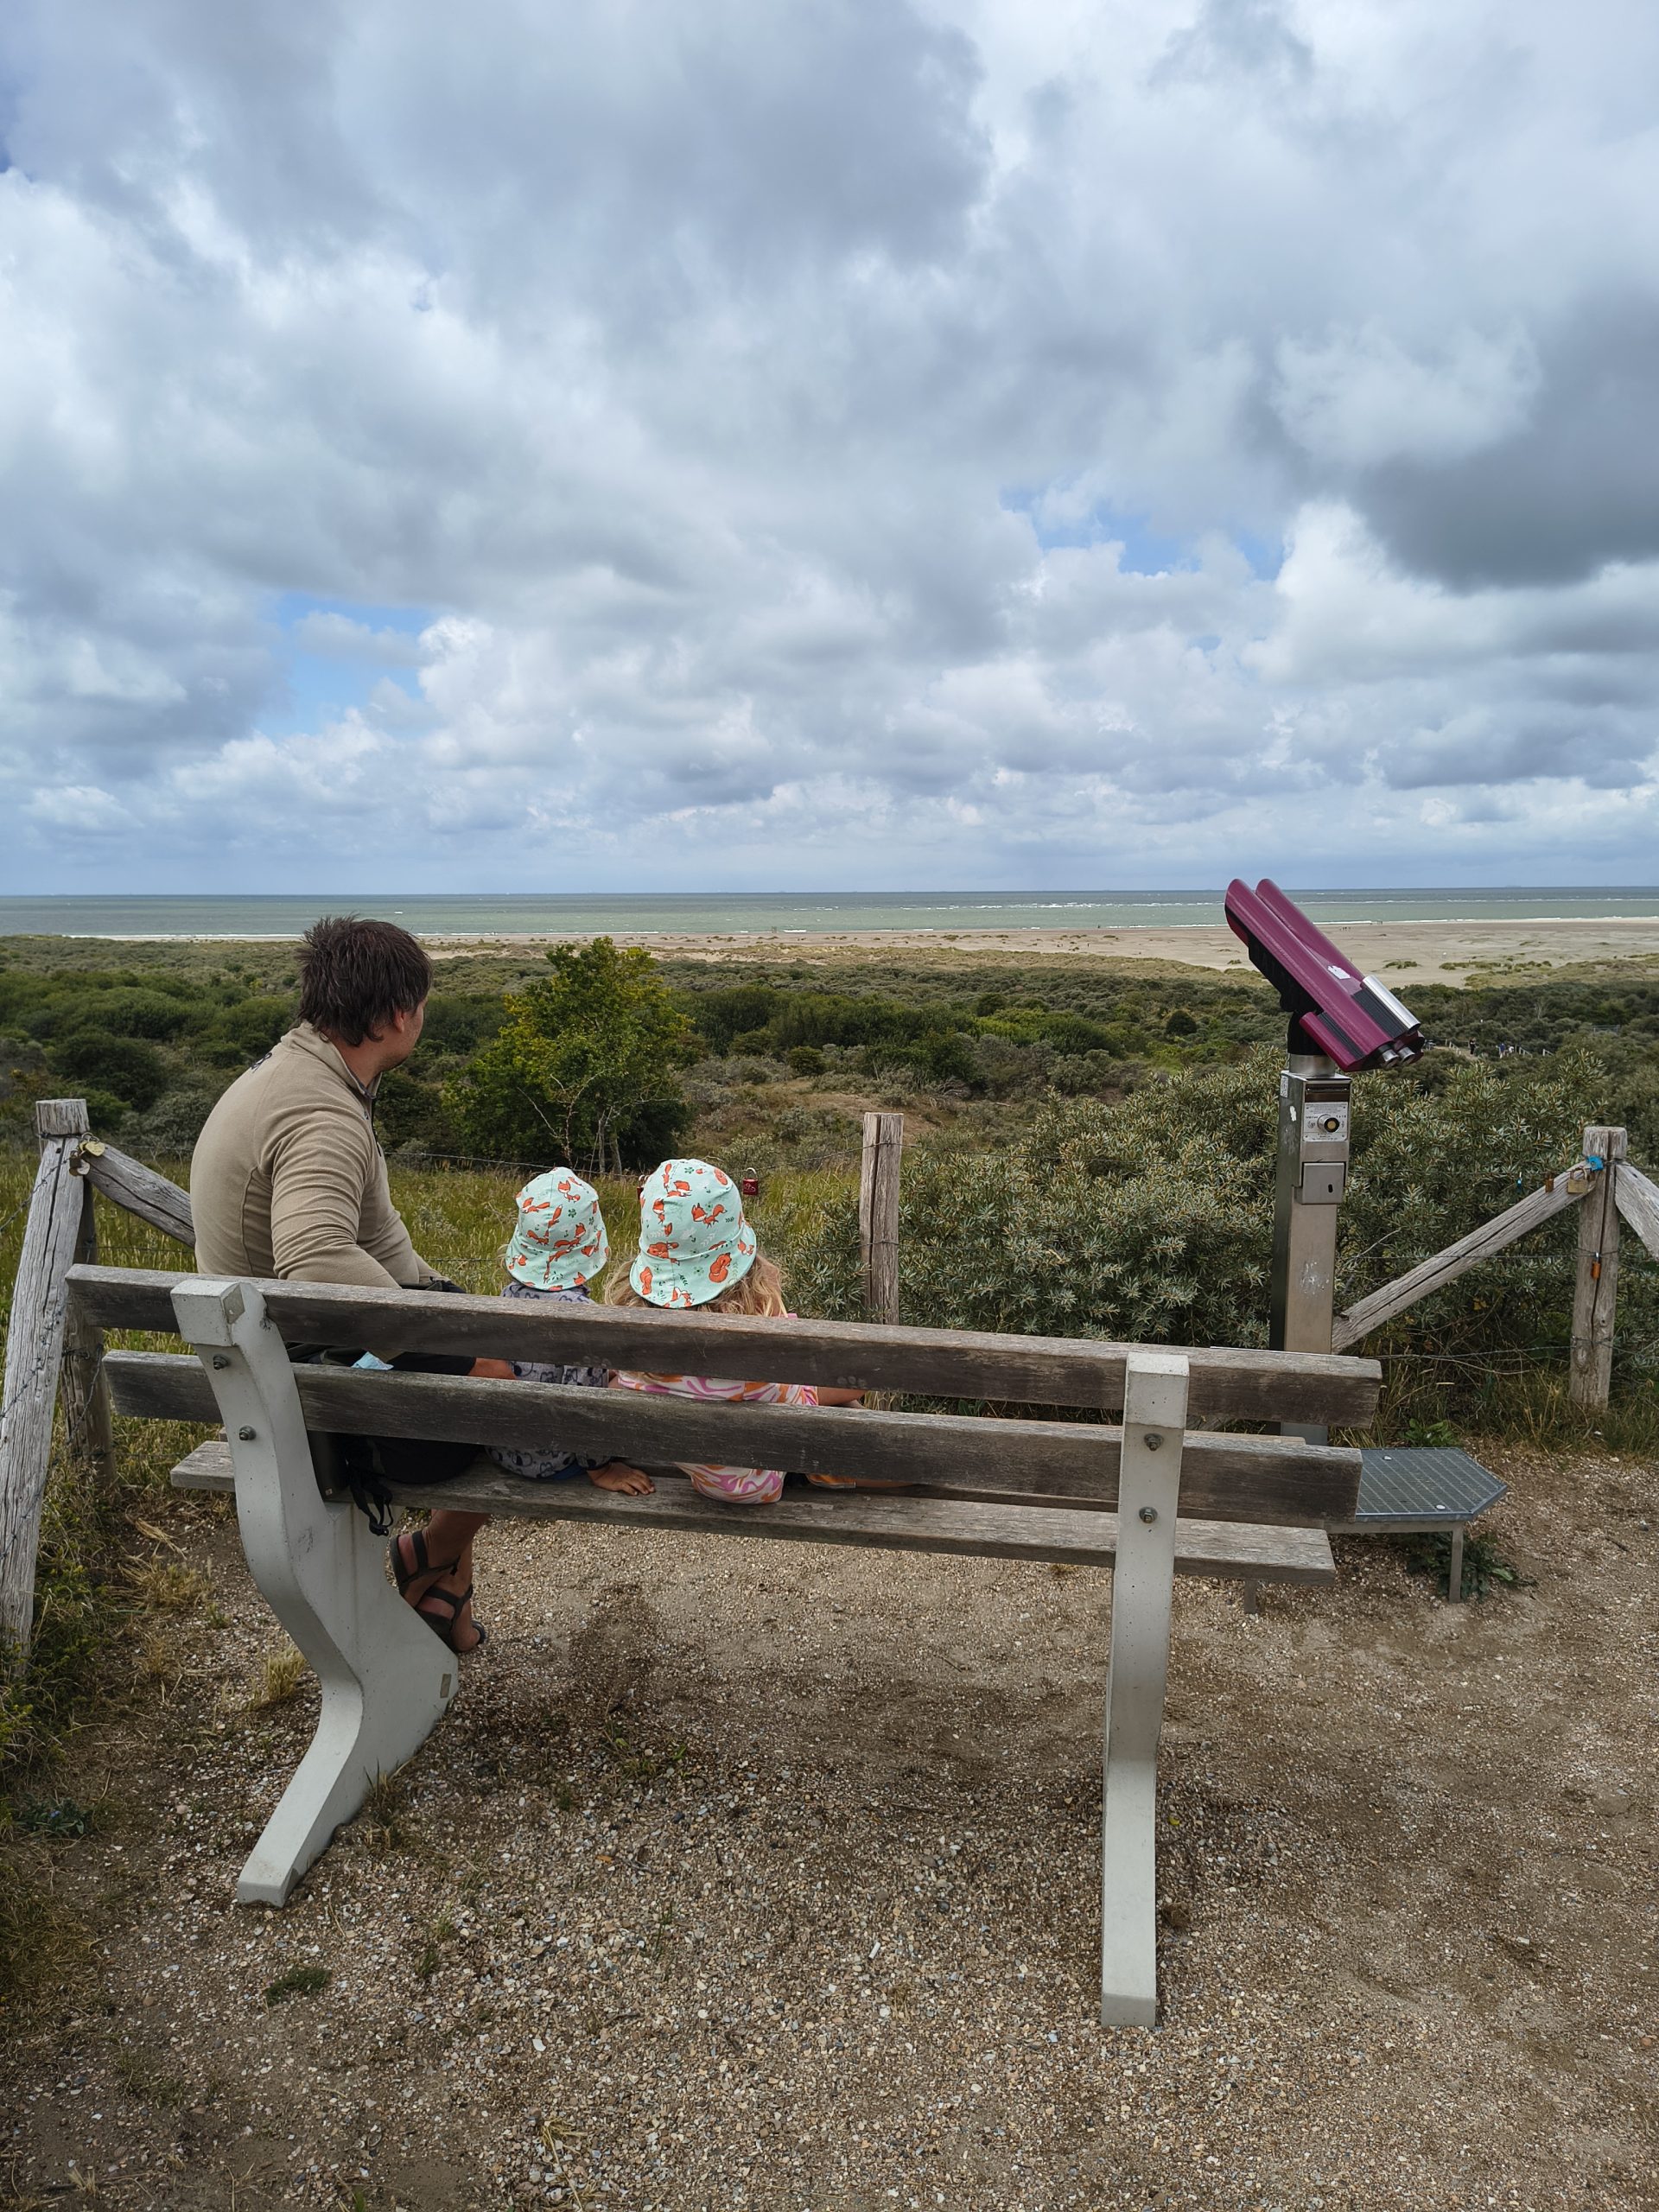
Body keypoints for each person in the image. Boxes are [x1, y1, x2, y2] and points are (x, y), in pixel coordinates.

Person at [192, 914, 501, 1653]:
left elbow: (377, 1243)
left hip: (279, 1370)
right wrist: (453, 1348)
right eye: (420, 1004)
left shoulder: (294, 1075)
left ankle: (444, 1599)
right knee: (516, 1401)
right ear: (396, 1015)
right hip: (316, 1407)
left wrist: (453, 1308)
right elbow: (317, 1256)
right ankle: (432, 1558)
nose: (422, 1017)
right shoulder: (321, 1111)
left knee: (494, 1349)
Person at [605, 1157, 865, 1503]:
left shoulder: (632, 1347)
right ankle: (831, 1471)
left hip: (705, 1462)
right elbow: (818, 1395)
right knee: (852, 1386)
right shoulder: (751, 1355)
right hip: (756, 1479)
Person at [484, 1169, 652, 1495]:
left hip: (502, 1450)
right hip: (558, 1461)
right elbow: (585, 1405)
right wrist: (600, 1469)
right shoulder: (584, 1320)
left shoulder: (507, 1297)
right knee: (632, 1382)